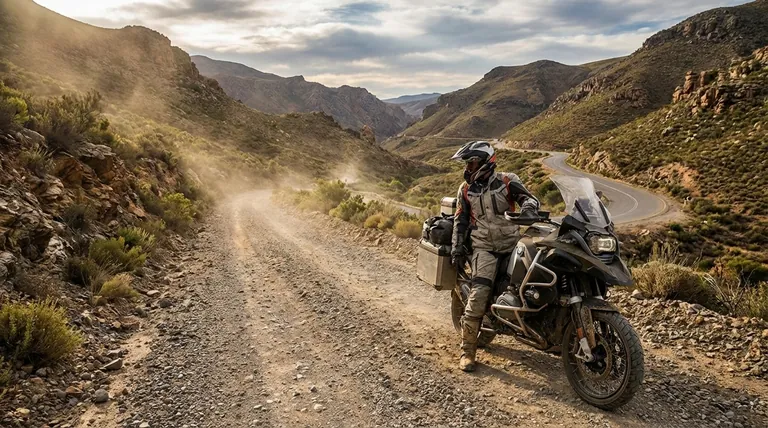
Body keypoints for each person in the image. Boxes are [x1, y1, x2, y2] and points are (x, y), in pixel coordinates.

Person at [450, 141, 539, 372]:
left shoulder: (507, 181)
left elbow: (528, 198)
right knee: (479, 295)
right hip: (484, 248)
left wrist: (529, 209)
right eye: (467, 164)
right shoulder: (465, 189)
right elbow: (460, 220)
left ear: (485, 161)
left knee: (534, 283)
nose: (468, 167)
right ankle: (467, 352)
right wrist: (456, 248)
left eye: (472, 163)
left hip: (512, 244)